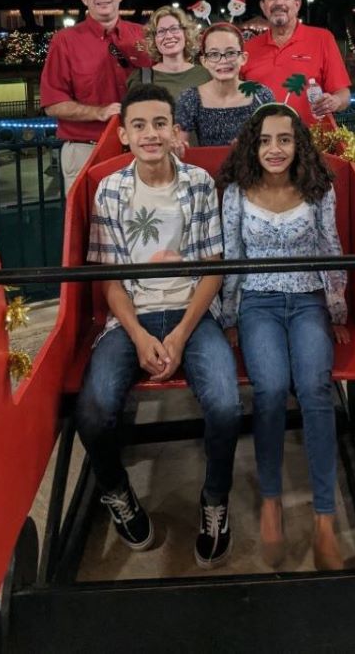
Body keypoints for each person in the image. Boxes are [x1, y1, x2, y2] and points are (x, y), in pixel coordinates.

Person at [76, 84, 242, 568]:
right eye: (140, 125)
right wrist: (140, 335)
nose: (151, 134)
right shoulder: (110, 190)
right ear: (124, 135)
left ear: (174, 131)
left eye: (160, 124)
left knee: (226, 406)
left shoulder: (198, 183)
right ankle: (117, 492)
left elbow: (213, 268)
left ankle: (215, 500)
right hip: (132, 317)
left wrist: (180, 334)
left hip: (193, 313)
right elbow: (110, 280)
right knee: (93, 410)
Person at [218, 103, 350, 570]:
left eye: (285, 139)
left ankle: (324, 517)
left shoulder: (317, 188)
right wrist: (229, 315)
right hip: (258, 301)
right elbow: (232, 254)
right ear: (253, 147)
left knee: (315, 389)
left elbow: (330, 247)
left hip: (308, 298)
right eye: (265, 141)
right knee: (271, 389)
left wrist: (336, 307)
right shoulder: (237, 191)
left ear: (298, 145)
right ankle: (271, 500)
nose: (275, 149)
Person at [40, 0, 151, 192]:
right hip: (87, 151)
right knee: (89, 216)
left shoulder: (143, 36)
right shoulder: (65, 41)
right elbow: (52, 103)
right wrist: (99, 112)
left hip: (141, 148)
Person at [243, 0, 351, 124]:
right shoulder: (248, 48)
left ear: (297, 4)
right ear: (263, 6)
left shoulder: (322, 38)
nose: (278, 2)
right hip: (263, 137)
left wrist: (336, 101)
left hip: (312, 136)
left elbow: (344, 94)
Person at [176, 22, 274, 147]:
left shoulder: (261, 95)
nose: (223, 61)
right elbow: (178, 149)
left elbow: (273, 142)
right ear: (204, 61)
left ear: (243, 58)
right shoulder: (191, 98)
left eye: (231, 53)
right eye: (214, 54)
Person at [127, 5, 210, 102]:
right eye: (161, 31)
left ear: (186, 33)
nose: (168, 36)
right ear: (154, 39)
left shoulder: (206, 76)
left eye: (174, 29)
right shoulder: (140, 78)